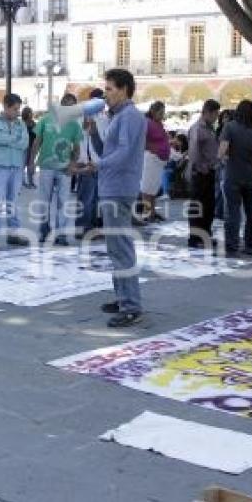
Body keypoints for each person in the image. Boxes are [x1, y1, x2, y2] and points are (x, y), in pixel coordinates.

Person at [88, 69, 146, 328]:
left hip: (120, 187)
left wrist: (98, 165)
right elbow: (109, 148)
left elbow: (123, 152)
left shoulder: (131, 116)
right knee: (115, 247)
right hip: (111, 186)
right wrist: (92, 134)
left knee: (121, 247)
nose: (106, 94)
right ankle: (123, 296)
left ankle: (131, 305)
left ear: (124, 90)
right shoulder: (118, 116)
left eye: (110, 89)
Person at [30, 93, 83, 245]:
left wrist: (72, 165)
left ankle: (61, 234)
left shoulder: (74, 125)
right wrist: (31, 162)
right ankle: (44, 231)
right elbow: (37, 142)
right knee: (44, 201)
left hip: (65, 169)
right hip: (46, 167)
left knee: (63, 202)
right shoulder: (45, 119)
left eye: (72, 105)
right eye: (66, 104)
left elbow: (77, 149)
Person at [219, 99, 252, 256]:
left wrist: (224, 159)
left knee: (232, 212)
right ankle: (251, 245)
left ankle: (232, 247)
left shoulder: (230, 127)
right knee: (251, 212)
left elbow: (222, 151)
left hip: (233, 174)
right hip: (250, 175)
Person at [0, 93, 29, 249]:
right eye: (15, 109)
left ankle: (13, 234)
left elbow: (24, 143)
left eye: (19, 109)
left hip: (16, 167)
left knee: (13, 202)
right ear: (6, 107)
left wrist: (7, 139)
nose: (18, 112)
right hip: (0, 167)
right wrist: (14, 139)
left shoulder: (21, 125)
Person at [187, 99, 221, 249]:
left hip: (209, 171)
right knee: (198, 205)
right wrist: (197, 167)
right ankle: (195, 238)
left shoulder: (209, 128)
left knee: (208, 206)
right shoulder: (198, 128)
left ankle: (205, 235)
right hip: (201, 172)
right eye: (215, 114)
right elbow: (194, 150)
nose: (216, 118)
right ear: (208, 112)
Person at [75, 88, 107, 237]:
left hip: (96, 163)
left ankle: (90, 228)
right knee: (87, 198)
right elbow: (85, 141)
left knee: (93, 198)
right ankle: (83, 228)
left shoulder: (100, 118)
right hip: (89, 163)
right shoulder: (86, 118)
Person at [138, 101, 170, 223]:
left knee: (153, 188)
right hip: (151, 158)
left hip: (158, 160)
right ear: (153, 111)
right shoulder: (147, 123)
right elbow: (141, 140)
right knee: (147, 188)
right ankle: (146, 214)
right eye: (160, 113)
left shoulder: (158, 123)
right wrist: (153, 149)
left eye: (163, 112)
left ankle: (152, 212)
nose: (162, 115)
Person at [22, 107, 37, 188]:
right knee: (23, 164)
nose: (31, 114)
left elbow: (37, 135)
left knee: (31, 164)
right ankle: (23, 182)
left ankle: (31, 182)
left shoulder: (33, 123)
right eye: (29, 112)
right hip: (24, 147)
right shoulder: (22, 123)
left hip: (32, 146)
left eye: (31, 112)